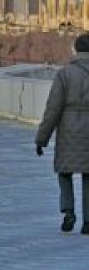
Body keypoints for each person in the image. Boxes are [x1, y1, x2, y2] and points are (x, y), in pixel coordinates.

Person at [36, 32, 89, 231]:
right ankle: (88, 221)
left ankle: (68, 212)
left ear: (76, 49)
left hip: (68, 129)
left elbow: (53, 109)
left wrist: (42, 139)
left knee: (64, 171)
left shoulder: (65, 74)